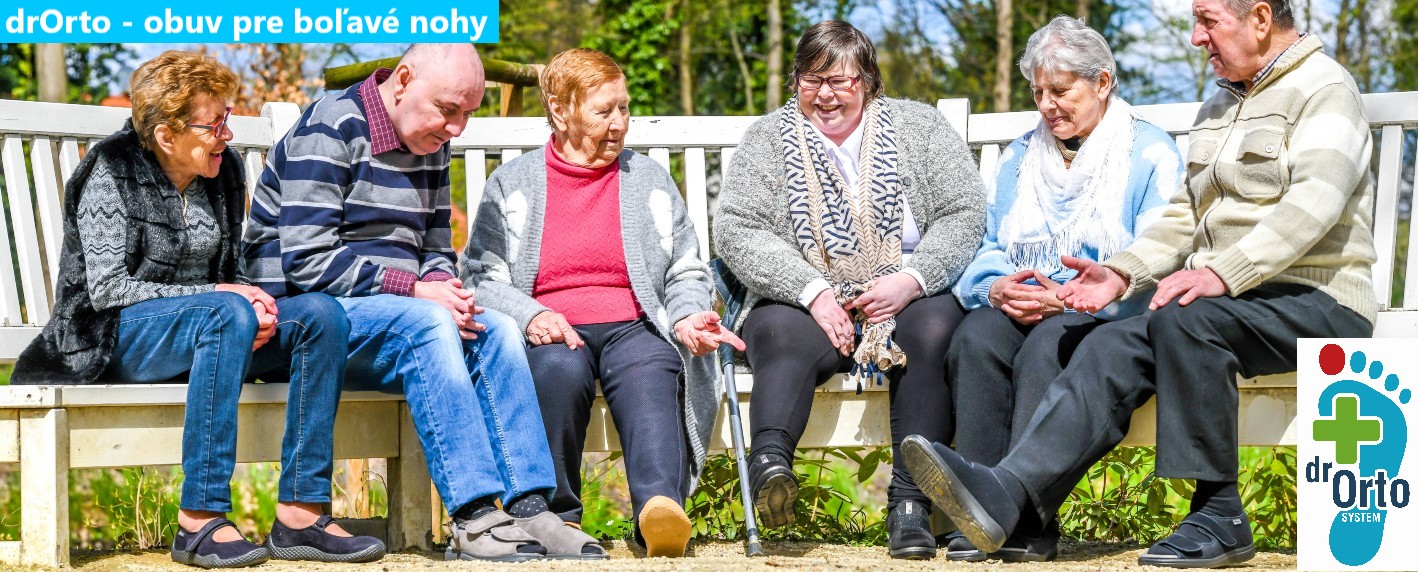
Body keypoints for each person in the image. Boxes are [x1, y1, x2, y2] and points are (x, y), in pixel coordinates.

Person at [902, 1, 1376, 568]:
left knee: (1184, 319)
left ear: (1258, 17)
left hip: (1313, 297)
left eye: (1208, 21)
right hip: (1229, 304)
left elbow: (1312, 206)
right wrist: (1121, 272)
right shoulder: (1223, 103)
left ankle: (1220, 513)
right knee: (1107, 343)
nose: (1197, 38)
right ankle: (1009, 498)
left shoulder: (1325, 89)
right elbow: (1184, 216)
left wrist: (1221, 272)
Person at [10, 51, 384, 568]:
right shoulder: (110, 171)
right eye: (215, 123)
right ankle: (200, 521)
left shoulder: (221, 170)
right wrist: (221, 300)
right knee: (225, 313)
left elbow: (232, 270)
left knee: (320, 316)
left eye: (227, 118)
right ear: (167, 135)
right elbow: (107, 291)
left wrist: (254, 298)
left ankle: (301, 512)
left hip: (214, 332)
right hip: (113, 340)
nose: (227, 134)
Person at [242, 43, 594, 561]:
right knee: (428, 322)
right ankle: (473, 518)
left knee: (492, 327)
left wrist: (444, 289)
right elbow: (307, 263)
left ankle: (531, 509)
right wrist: (418, 292)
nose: (456, 128)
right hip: (307, 324)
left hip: (396, 320)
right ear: (402, 81)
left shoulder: (432, 142)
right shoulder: (331, 126)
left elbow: (434, 248)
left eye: (468, 114)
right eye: (448, 110)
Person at [713, 20, 986, 560]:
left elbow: (964, 211)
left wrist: (911, 280)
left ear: (869, 81)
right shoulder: (769, 139)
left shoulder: (920, 128)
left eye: (841, 80)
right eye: (811, 80)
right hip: (806, 296)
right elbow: (737, 228)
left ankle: (909, 506)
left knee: (933, 331)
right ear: (796, 83)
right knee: (776, 330)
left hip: (906, 293)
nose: (826, 94)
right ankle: (771, 468)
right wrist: (811, 291)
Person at [463, 48, 745, 558]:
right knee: (553, 372)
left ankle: (660, 509)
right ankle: (556, 516)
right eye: (603, 111)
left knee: (654, 367)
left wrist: (684, 318)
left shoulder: (649, 181)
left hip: (635, 322)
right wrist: (532, 315)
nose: (619, 123)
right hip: (552, 326)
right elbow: (481, 279)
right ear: (559, 108)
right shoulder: (513, 184)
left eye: (625, 108)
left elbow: (685, 267)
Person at [943, 16, 1183, 562]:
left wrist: (1075, 294)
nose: (1048, 104)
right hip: (1027, 300)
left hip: (1105, 312)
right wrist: (999, 287)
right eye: (1038, 92)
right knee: (977, 336)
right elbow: (984, 243)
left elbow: (1162, 249)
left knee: (1050, 343)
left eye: (1062, 89)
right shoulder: (1020, 157)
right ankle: (973, 508)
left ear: (1102, 83)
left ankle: (1026, 519)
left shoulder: (1149, 153)